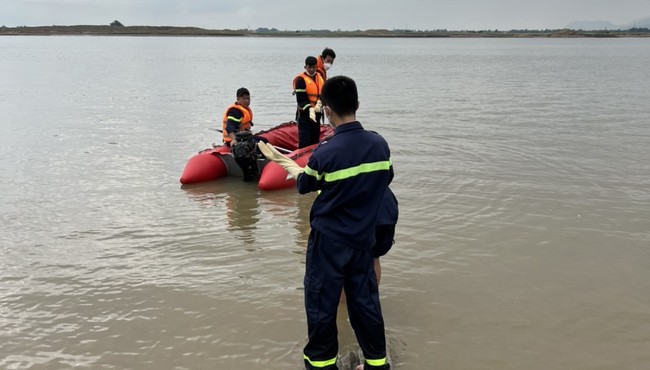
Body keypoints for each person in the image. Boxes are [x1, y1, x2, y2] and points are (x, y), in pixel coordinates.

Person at [258, 75, 392, 370]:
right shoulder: (380, 146)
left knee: (322, 307)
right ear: (358, 104)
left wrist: (287, 165)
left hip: (328, 243)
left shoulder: (325, 152)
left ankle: (321, 365)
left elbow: (305, 185)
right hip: (363, 241)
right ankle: (377, 364)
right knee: (366, 305)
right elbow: (384, 179)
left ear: (326, 110)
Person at [222, 87, 258, 181]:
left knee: (263, 140)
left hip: (244, 137)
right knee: (263, 142)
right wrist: (234, 139)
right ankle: (250, 171)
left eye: (248, 98)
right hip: (237, 141)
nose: (247, 101)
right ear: (238, 99)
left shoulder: (244, 109)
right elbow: (229, 127)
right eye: (244, 98)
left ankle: (255, 167)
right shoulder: (236, 111)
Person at [293, 56, 324, 148]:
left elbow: (322, 93)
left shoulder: (319, 78)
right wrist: (310, 109)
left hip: (317, 112)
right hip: (304, 113)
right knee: (304, 139)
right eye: (309, 67)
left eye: (313, 67)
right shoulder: (300, 80)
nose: (311, 69)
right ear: (305, 67)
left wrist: (320, 103)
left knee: (315, 138)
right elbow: (301, 98)